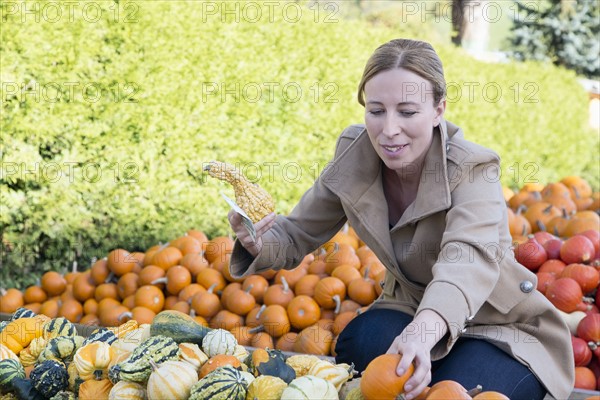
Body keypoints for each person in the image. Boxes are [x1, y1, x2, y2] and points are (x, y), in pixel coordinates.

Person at [227, 38, 574, 400]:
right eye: (376, 111)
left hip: (497, 323)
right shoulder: (355, 156)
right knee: (360, 342)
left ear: (439, 109)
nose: (389, 129)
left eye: (407, 112)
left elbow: (467, 261)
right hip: (410, 307)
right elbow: (298, 231)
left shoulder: (473, 167)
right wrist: (260, 242)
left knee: (459, 391)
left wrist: (422, 334)